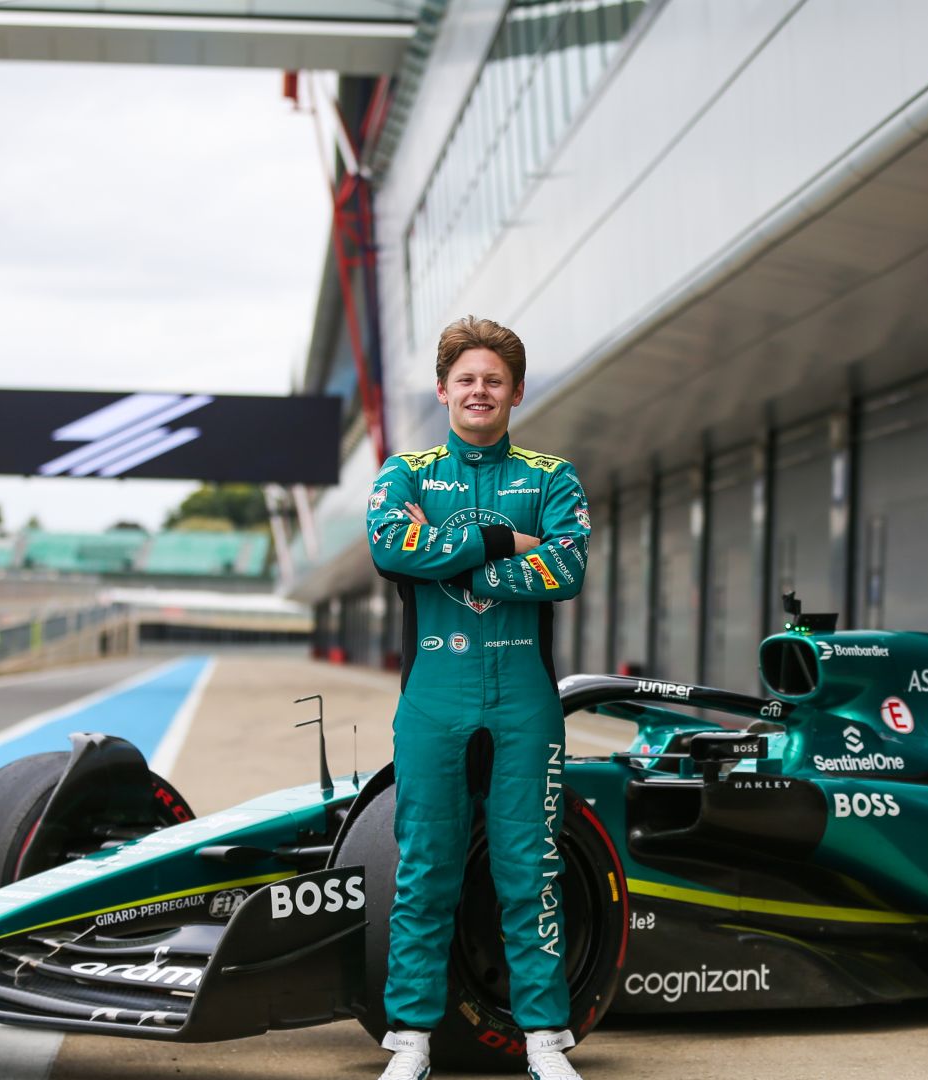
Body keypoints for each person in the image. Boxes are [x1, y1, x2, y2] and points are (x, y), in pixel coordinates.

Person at [365, 316, 593, 1080]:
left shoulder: (553, 477)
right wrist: (504, 545)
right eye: (466, 378)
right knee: (426, 868)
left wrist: (454, 565)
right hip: (434, 693)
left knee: (531, 870)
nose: (479, 390)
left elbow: (567, 569)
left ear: (516, 392)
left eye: (494, 379)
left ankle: (544, 1041)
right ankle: (411, 1042)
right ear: (442, 390)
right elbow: (389, 547)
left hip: (525, 698)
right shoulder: (405, 471)